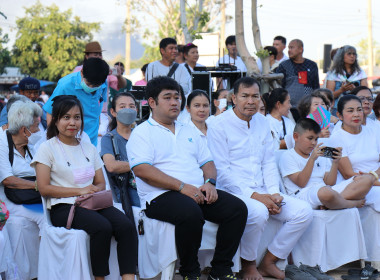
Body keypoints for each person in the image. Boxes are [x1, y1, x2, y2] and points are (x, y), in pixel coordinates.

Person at [126, 76, 248, 280]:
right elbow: (142, 170)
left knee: (237, 209)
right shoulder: (142, 132)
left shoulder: (188, 129)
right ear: (153, 102)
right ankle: (190, 272)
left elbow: (207, 162)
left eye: (177, 97)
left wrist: (210, 183)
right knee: (190, 212)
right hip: (159, 196)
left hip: (195, 191)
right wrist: (182, 187)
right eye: (168, 98)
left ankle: (220, 269)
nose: (175, 102)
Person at [207, 77, 313, 280]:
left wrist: (273, 193)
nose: (250, 101)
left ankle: (269, 261)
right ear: (233, 98)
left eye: (255, 96)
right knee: (257, 211)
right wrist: (256, 196)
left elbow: (268, 162)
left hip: (264, 188)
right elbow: (222, 170)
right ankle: (248, 266)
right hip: (233, 191)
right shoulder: (218, 125)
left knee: (303, 211)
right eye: (244, 96)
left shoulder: (263, 122)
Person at [32, 95, 138, 280]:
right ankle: (100, 278)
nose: (72, 122)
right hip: (63, 207)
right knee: (102, 227)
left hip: (92, 203)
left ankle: (128, 278)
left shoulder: (88, 148)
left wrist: (89, 192)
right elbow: (44, 188)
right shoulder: (46, 148)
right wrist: (79, 191)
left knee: (126, 226)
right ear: (55, 120)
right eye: (66, 117)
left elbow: (100, 182)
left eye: (77, 117)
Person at [279, 118, 373, 210]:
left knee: (367, 179)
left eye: (316, 139)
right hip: (303, 195)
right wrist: (311, 160)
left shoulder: (319, 154)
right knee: (325, 192)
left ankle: (331, 203)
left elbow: (330, 183)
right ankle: (349, 203)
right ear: (296, 137)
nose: (313, 143)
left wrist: (335, 163)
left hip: (325, 191)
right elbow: (301, 183)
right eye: (310, 138)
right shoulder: (288, 156)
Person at [0, 100, 44, 243]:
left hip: (32, 197)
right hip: (10, 200)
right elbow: (7, 180)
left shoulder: (30, 146)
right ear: (24, 130)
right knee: (45, 219)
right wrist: (39, 186)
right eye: (36, 126)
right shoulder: (2, 142)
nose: (39, 131)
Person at [329, 95, 380, 213]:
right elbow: (348, 174)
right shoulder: (337, 138)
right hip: (357, 185)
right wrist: (374, 180)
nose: (356, 114)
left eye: (359, 109)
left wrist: (374, 175)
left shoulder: (374, 130)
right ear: (339, 115)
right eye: (350, 111)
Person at [43, 57, 109, 146]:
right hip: (69, 142)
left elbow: (99, 107)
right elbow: (50, 113)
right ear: (82, 72)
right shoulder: (65, 85)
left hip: (92, 142)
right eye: (89, 84)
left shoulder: (103, 83)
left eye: (96, 85)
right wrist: (54, 141)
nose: (92, 87)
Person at [100, 92, 140, 207]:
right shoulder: (109, 139)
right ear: (113, 112)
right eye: (122, 107)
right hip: (128, 192)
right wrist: (142, 166)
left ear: (136, 110)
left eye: (131, 106)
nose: (127, 110)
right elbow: (111, 166)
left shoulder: (144, 135)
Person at [276, 39, 320, 107]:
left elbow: (316, 87)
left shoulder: (312, 65)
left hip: (308, 107)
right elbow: (279, 87)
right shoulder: (284, 65)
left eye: (292, 47)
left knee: (326, 117)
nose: (289, 50)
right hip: (289, 109)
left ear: (300, 49)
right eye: (288, 48)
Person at [326, 45, 368, 115]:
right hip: (338, 109)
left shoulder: (360, 73)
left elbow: (366, 93)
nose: (352, 56)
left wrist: (355, 90)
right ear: (341, 56)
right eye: (349, 54)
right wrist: (341, 90)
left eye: (354, 54)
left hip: (357, 109)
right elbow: (328, 96)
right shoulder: (333, 73)